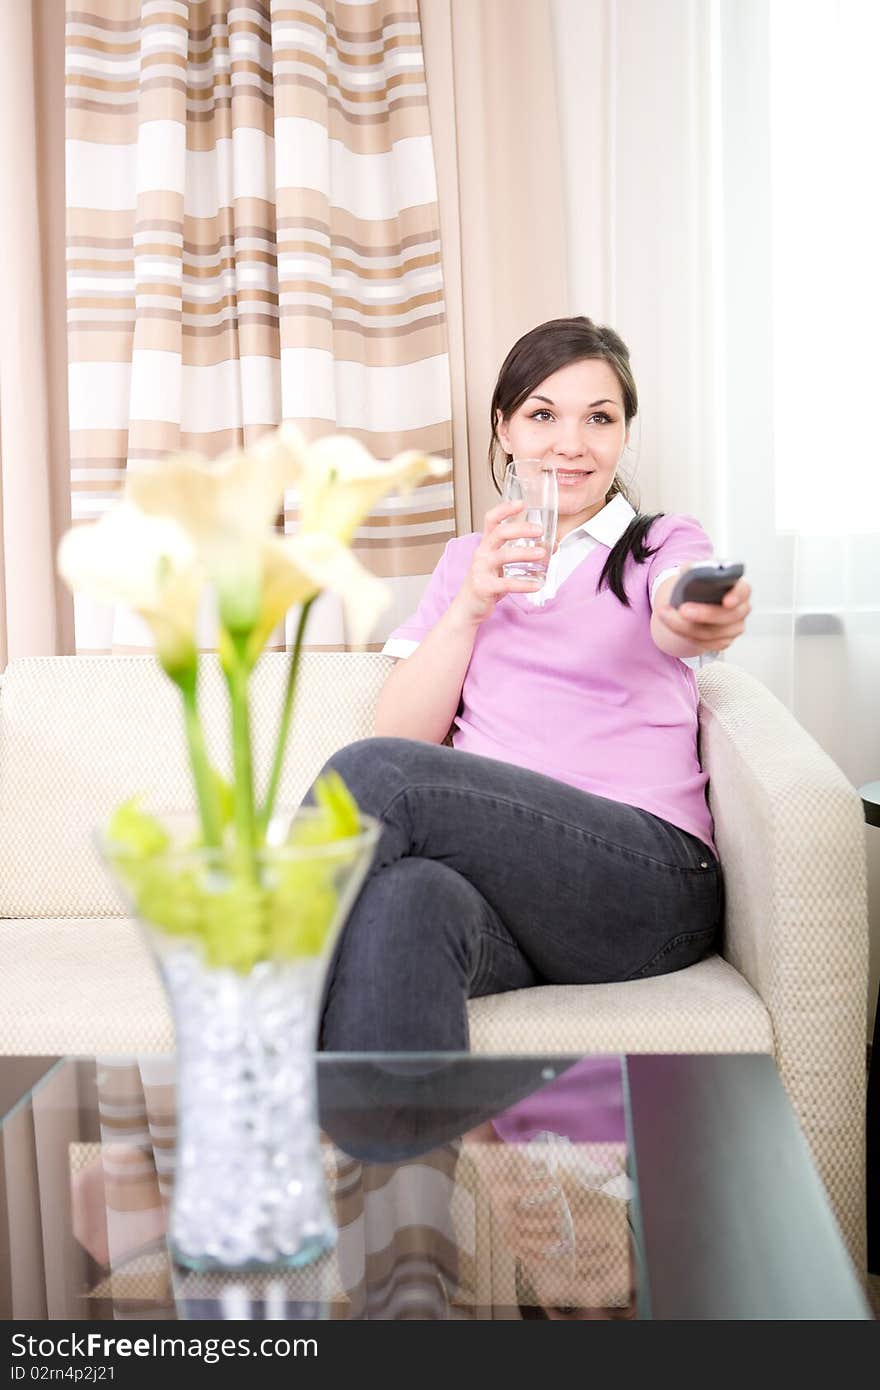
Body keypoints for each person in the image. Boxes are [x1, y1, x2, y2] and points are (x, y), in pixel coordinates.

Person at [310, 315, 752, 1052]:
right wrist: (471, 606)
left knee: (376, 777)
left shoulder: (657, 544)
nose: (571, 444)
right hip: (517, 900)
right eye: (543, 415)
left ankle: (248, 996)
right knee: (406, 901)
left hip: (646, 879)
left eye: (599, 419)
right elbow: (399, 738)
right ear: (505, 429)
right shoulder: (465, 562)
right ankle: (393, 1153)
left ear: (623, 435)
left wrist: (700, 611)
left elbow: (680, 607)